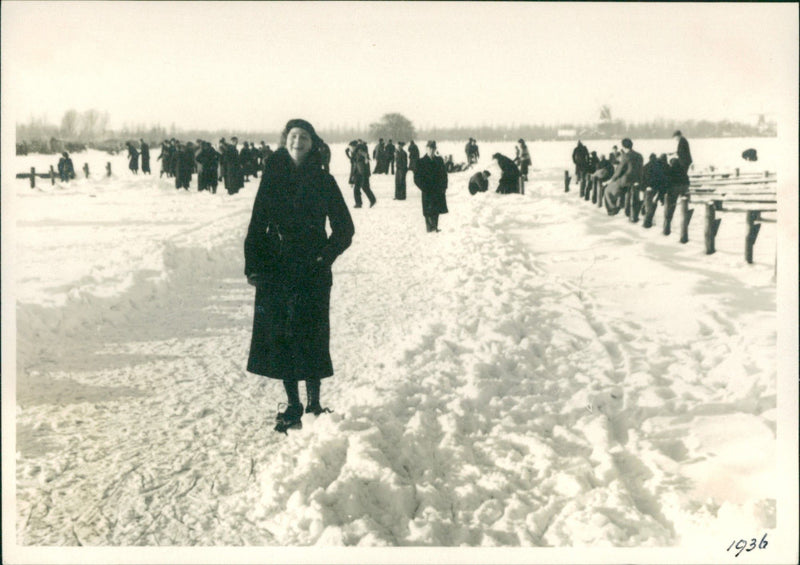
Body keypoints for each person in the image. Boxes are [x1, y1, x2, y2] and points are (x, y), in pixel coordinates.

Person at [244, 118, 355, 434]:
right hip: (276, 267)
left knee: (312, 334)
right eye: (293, 136)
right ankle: (293, 405)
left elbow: (345, 229)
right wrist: (254, 266)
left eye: (303, 137)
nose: (297, 141)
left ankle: (314, 405)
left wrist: (325, 256)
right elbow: (256, 226)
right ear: (284, 141)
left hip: (312, 270)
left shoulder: (323, 181)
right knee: (282, 335)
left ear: (312, 142)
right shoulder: (271, 179)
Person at [413, 140, 448, 232]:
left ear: (435, 149)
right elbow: (416, 178)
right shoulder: (420, 162)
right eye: (429, 149)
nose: (431, 151)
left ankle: (435, 227)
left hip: (438, 190)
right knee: (428, 211)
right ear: (426, 149)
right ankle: (430, 229)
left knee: (436, 210)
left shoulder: (439, 160)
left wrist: (444, 187)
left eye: (433, 149)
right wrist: (424, 188)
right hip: (427, 191)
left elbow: (444, 175)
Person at [603, 138, 643, 215]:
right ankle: (623, 205)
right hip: (638, 179)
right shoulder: (639, 155)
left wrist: (612, 180)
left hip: (627, 180)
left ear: (624, 147)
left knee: (607, 190)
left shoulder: (626, 156)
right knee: (624, 190)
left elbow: (619, 170)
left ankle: (612, 209)